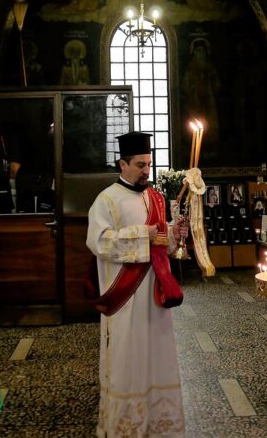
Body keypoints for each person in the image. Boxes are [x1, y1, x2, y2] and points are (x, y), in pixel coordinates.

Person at [86, 131, 185, 437]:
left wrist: (173, 235)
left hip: (154, 298)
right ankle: (126, 427)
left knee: (157, 357)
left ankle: (158, 424)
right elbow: (98, 242)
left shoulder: (154, 198)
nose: (146, 170)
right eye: (140, 165)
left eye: (149, 164)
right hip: (125, 299)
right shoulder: (106, 200)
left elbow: (161, 245)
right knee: (126, 361)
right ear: (123, 164)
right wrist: (144, 236)